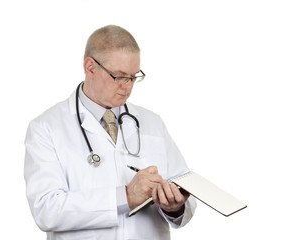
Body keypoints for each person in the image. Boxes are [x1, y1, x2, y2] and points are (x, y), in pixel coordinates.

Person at [24, 25, 196, 240]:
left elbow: (185, 198)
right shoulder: (47, 127)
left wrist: (175, 207)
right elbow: (46, 211)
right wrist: (125, 197)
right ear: (90, 67)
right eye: (119, 76)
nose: (128, 87)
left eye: (134, 76)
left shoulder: (152, 123)